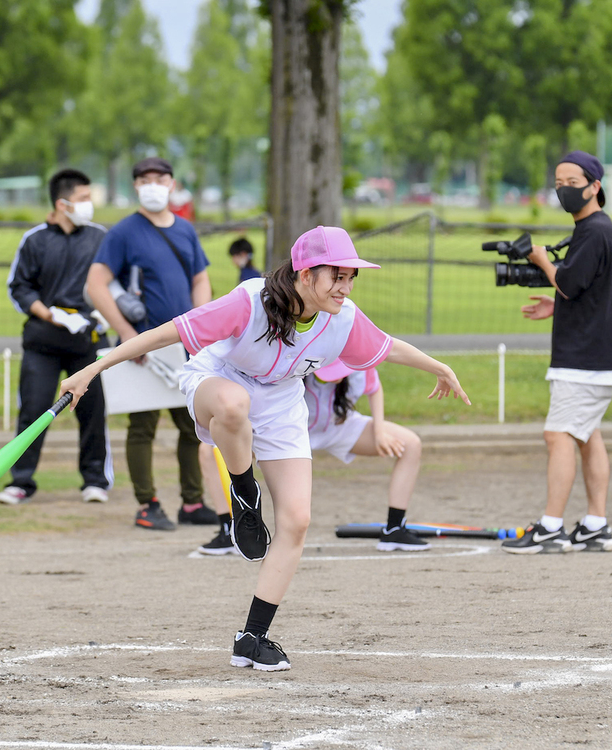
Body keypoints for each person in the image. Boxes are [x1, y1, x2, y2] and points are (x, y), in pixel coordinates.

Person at [59, 225, 470, 672]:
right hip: (217, 382)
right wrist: (93, 369)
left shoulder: (343, 318)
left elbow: (389, 348)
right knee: (236, 405)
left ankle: (252, 638)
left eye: (352, 277)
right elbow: (166, 334)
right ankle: (243, 490)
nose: (346, 286)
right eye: (337, 275)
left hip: (281, 400)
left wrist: (439, 366)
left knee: (297, 520)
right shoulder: (250, 301)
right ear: (305, 273)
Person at [86, 156, 220, 531]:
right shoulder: (124, 232)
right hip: (142, 347)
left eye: (159, 178)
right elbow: (96, 284)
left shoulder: (186, 230)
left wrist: (202, 323)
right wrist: (128, 335)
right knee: (142, 426)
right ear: (136, 187)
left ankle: (192, 503)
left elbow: (200, 279)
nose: (153, 184)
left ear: (172, 183)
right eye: (144, 179)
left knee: (193, 424)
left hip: (184, 344)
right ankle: (147, 504)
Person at [501, 151, 612, 555]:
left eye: (573, 182)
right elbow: (586, 290)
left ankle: (550, 526)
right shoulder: (595, 230)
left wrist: (540, 259)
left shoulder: (594, 230)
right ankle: (595, 524)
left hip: (583, 360)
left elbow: (569, 282)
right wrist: (558, 304)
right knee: (587, 436)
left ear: (595, 186)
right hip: (595, 357)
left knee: (558, 435)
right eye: (559, 183)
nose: (564, 189)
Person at [198, 360, 429, 555]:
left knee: (410, 444)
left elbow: (374, 387)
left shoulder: (356, 358)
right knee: (209, 449)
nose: (338, 378)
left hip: (336, 424)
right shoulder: (289, 365)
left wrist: (379, 431)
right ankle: (229, 530)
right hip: (285, 430)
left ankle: (394, 529)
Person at [0, 169, 110, 505]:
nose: (90, 205)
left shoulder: (100, 238)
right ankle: (21, 481)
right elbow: (18, 286)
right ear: (62, 204)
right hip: (43, 342)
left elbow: (112, 282)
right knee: (32, 411)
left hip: (87, 343)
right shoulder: (34, 240)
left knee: (92, 411)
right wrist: (49, 313)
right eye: (83, 199)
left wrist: (103, 313)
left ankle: (95, 480)